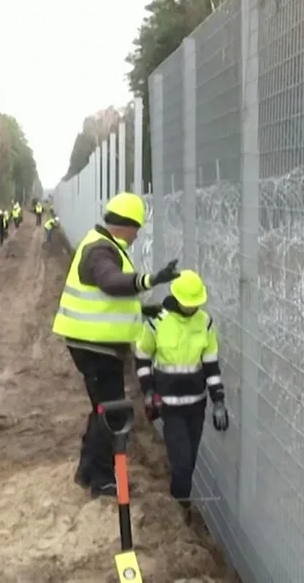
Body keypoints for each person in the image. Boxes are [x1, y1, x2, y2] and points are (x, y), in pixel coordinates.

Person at [52, 191, 179, 498]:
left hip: (96, 344)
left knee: (103, 409)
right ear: (127, 225)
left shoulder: (102, 245)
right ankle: (102, 479)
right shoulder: (100, 250)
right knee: (111, 413)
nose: (137, 237)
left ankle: (88, 472)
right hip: (93, 345)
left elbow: (107, 297)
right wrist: (150, 280)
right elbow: (110, 282)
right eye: (137, 229)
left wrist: (143, 309)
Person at [134, 269, 229, 524]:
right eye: (188, 305)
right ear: (177, 298)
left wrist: (218, 401)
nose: (191, 309)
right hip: (170, 407)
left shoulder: (205, 323)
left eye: (195, 305)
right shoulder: (157, 321)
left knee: (190, 460)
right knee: (182, 463)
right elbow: (142, 357)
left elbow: (211, 365)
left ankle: (180, 502)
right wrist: (149, 391)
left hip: (196, 406)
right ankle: (180, 509)